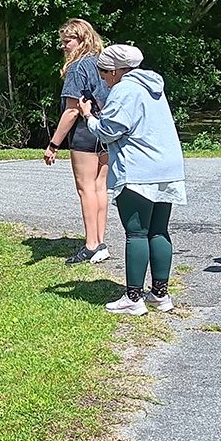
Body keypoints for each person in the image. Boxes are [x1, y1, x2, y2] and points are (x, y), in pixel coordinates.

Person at [77, 44, 186, 315]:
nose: (102, 77)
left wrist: (89, 116)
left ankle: (133, 298)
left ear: (116, 70)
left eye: (103, 71)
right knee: (159, 230)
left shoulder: (124, 90)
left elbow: (108, 131)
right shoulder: (153, 86)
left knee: (136, 232)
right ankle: (160, 295)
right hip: (167, 168)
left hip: (139, 170)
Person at [43, 19, 111, 264]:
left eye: (68, 41)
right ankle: (100, 242)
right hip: (106, 130)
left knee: (85, 188)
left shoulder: (77, 67)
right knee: (100, 187)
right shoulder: (105, 63)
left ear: (82, 40)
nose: (63, 46)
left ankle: (91, 244)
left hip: (84, 132)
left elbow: (72, 110)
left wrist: (53, 144)